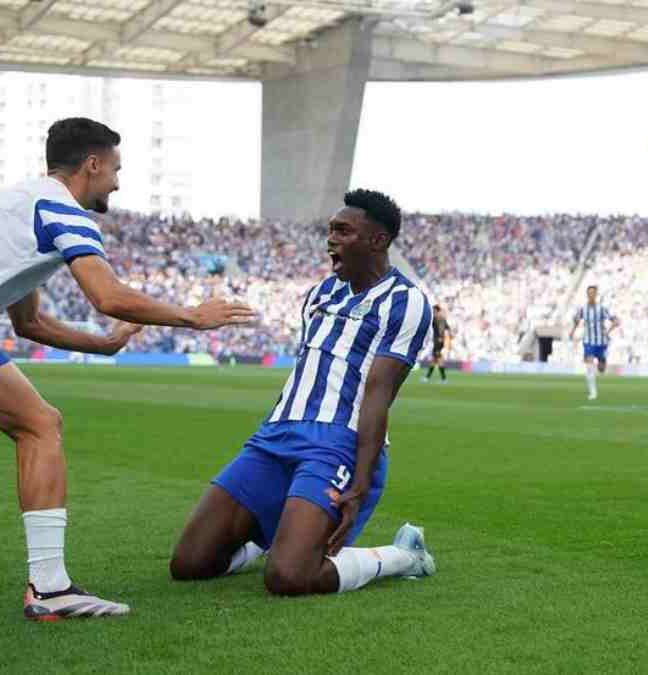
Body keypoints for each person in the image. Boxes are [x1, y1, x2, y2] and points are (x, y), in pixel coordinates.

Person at [1, 117, 255, 620]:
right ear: (91, 165)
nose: (117, 182)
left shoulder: (20, 203)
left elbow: (28, 322)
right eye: (115, 169)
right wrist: (192, 317)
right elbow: (108, 295)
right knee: (40, 425)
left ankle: (51, 587)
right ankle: (50, 589)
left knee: (40, 422)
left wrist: (102, 345)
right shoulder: (62, 211)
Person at [169, 189, 436, 596]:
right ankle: (275, 536)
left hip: (338, 444)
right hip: (275, 436)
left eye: (343, 231)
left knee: (289, 576)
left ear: (377, 241)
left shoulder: (406, 301)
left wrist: (360, 484)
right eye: (330, 230)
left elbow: (379, 392)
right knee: (190, 563)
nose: (331, 239)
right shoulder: (319, 294)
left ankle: (403, 556)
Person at [569, 285, 618, 401]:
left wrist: (608, 331)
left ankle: (603, 360)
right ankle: (593, 393)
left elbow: (615, 321)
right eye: (589, 293)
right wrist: (572, 332)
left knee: (601, 368)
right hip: (588, 341)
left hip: (601, 342)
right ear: (587, 294)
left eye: (593, 293)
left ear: (596, 295)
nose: (591, 295)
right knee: (589, 366)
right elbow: (576, 320)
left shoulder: (602, 309)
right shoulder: (582, 309)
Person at [423, 304, 452, 383]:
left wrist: (440, 337)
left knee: (438, 360)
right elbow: (448, 329)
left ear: (436, 311)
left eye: (434, 310)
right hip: (440, 341)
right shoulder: (443, 319)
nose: (433, 312)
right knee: (435, 359)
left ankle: (443, 379)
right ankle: (428, 377)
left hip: (438, 342)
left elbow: (440, 329)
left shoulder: (436, 319)